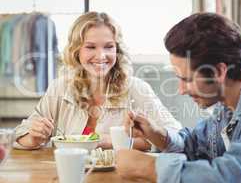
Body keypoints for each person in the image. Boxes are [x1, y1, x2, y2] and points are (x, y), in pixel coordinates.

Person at [116, 13, 241, 182]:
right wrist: (158, 134)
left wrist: (149, 168)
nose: (181, 90)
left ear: (219, 71)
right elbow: (196, 145)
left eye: (187, 79)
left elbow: (232, 177)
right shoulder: (227, 101)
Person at [14, 12, 181, 150]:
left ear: (118, 49)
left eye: (108, 46)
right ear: (76, 51)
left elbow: (176, 136)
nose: (101, 56)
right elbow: (19, 136)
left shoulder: (136, 88)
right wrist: (34, 138)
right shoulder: (60, 88)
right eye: (91, 47)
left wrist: (111, 141)